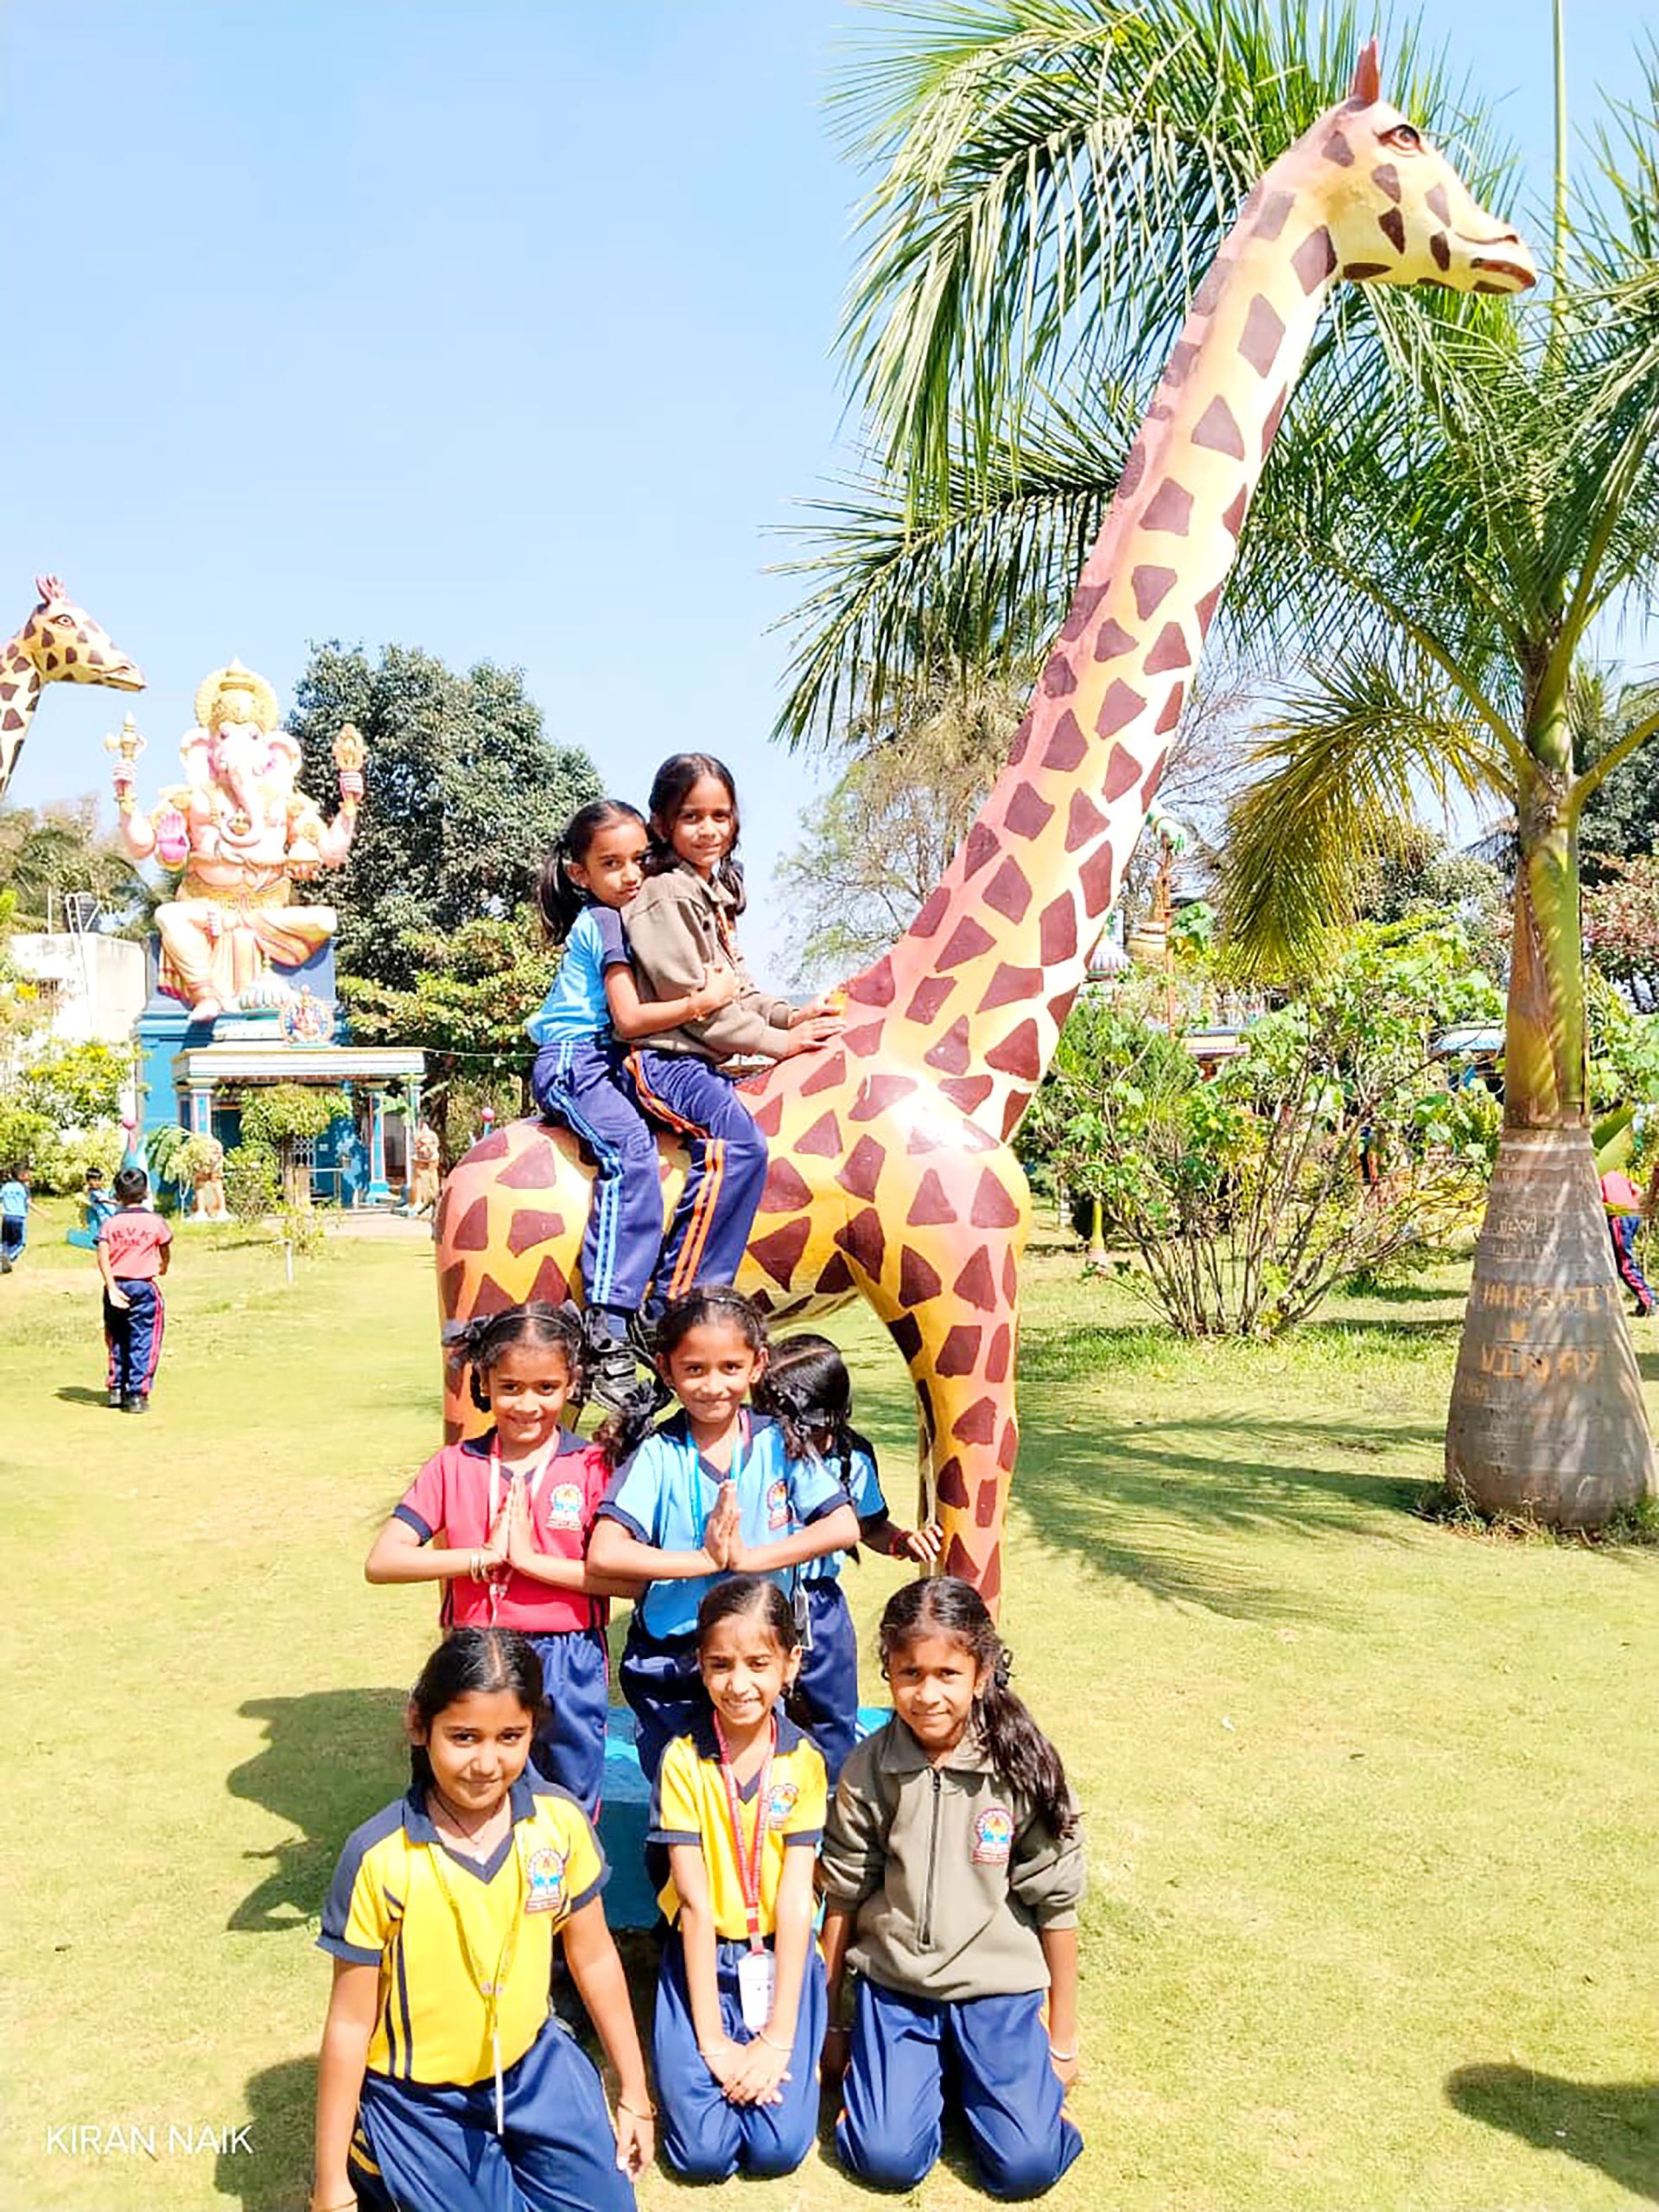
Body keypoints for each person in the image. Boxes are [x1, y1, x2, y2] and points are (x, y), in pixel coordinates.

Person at [310, 1628, 653, 2212]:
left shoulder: (559, 1823)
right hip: (421, 2097)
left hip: (531, 2066)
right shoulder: (378, 1856)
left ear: (533, 1729)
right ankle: (370, 2154)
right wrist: (328, 2185)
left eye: (510, 1737)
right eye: (463, 1737)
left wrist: (635, 2094)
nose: (487, 1763)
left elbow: (593, 1956)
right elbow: (349, 2023)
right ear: (419, 1724)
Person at [821, 1577, 1086, 2201]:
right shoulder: (868, 1768)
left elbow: (1057, 1905)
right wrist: (832, 2026)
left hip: (999, 1994)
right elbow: (844, 1895)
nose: (928, 1694)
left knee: (1026, 2167)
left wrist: (1063, 2042)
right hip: (897, 1992)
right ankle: (919, 2085)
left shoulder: (1023, 1766)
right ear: (887, 1671)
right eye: (910, 1673)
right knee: (882, 2158)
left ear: (981, 1670)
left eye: (947, 1673)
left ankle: (1010, 2098)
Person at [365, 1304, 639, 1815]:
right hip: (475, 1651)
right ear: (484, 1381)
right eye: (510, 1387)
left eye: (546, 1388)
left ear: (572, 1382)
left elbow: (631, 1584)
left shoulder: (593, 1467)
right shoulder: (453, 1466)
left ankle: (561, 1894)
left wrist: (529, 1561)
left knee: (567, 1806)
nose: (527, 1405)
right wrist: (481, 1558)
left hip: (569, 1656)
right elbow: (383, 1561)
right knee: (471, 1796)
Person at [586, 1285, 859, 1783]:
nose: (713, 1385)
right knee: (682, 1804)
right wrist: (705, 1560)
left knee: (756, 1797)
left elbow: (843, 1525)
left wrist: (751, 1559)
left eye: (730, 1369)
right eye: (695, 1370)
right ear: (667, 1369)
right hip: (672, 1664)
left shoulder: (780, 1440)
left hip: (754, 1659)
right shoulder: (657, 1453)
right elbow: (605, 1552)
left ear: (757, 1366)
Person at [527, 798, 741, 1408]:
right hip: (577, 1059)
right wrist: (707, 1001)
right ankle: (608, 1326)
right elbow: (628, 1019)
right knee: (631, 1154)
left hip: (608, 1059)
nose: (630, 875)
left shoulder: (634, 918)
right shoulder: (606, 922)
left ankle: (657, 1302)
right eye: (611, 863)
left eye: (639, 859)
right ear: (580, 875)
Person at [619, 754, 842, 1318]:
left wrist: (794, 1015)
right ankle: (676, 1298)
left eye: (721, 815)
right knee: (739, 1146)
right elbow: (702, 1012)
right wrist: (782, 1044)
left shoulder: (703, 894)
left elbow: (739, 994)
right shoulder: (667, 894)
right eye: (692, 816)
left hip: (699, 1062)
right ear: (662, 824)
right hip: (666, 1062)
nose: (709, 829)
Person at [647, 1578, 827, 2182]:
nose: (739, 1684)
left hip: (781, 1958)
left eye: (758, 1664)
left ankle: (793, 2047)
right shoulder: (682, 1761)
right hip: (702, 1961)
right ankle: (698, 2045)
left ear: (790, 1664)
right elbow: (695, 1908)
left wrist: (778, 2037)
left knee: (777, 2150)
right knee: (701, 2155)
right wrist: (713, 2042)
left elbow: (798, 1899)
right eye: (721, 1665)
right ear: (700, 1667)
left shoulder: (803, 1763)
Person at [753, 1332, 942, 1786]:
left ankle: (835, 1801)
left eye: (806, 1429)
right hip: (757, 1600)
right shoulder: (756, 1453)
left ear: (833, 1416)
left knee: (832, 1710)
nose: (795, 1439)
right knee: (756, 1706)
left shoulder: (853, 1458)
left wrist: (902, 1542)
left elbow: (870, 1524)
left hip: (820, 1606)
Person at [96, 1166, 172, 1411]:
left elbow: (102, 1256)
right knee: (144, 1339)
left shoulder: (110, 1224)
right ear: (147, 1192)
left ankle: (116, 1389)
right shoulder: (155, 1222)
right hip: (143, 1288)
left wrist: (111, 1287)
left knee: (117, 1338)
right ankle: (136, 1394)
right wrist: (163, 1266)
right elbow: (164, 1248)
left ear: (117, 1194)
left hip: (115, 1286)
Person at [1600, 1166, 1655, 1317]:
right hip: (1633, 1216)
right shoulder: (1617, 1175)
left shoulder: (1599, 1176)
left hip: (1619, 1217)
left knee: (1624, 1265)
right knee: (1621, 1261)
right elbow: (1639, 1191)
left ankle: (1649, 1301)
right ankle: (1645, 1301)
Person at [1, 1164, 34, 1271]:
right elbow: (29, 1203)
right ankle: (8, 1258)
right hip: (19, 1219)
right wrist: (43, 1213)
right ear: (21, 1175)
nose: (29, 1175)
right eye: (28, 1173)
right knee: (20, 1244)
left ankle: (3, 1257)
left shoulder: (5, 1186)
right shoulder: (24, 1188)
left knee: (5, 1242)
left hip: (6, 1218)